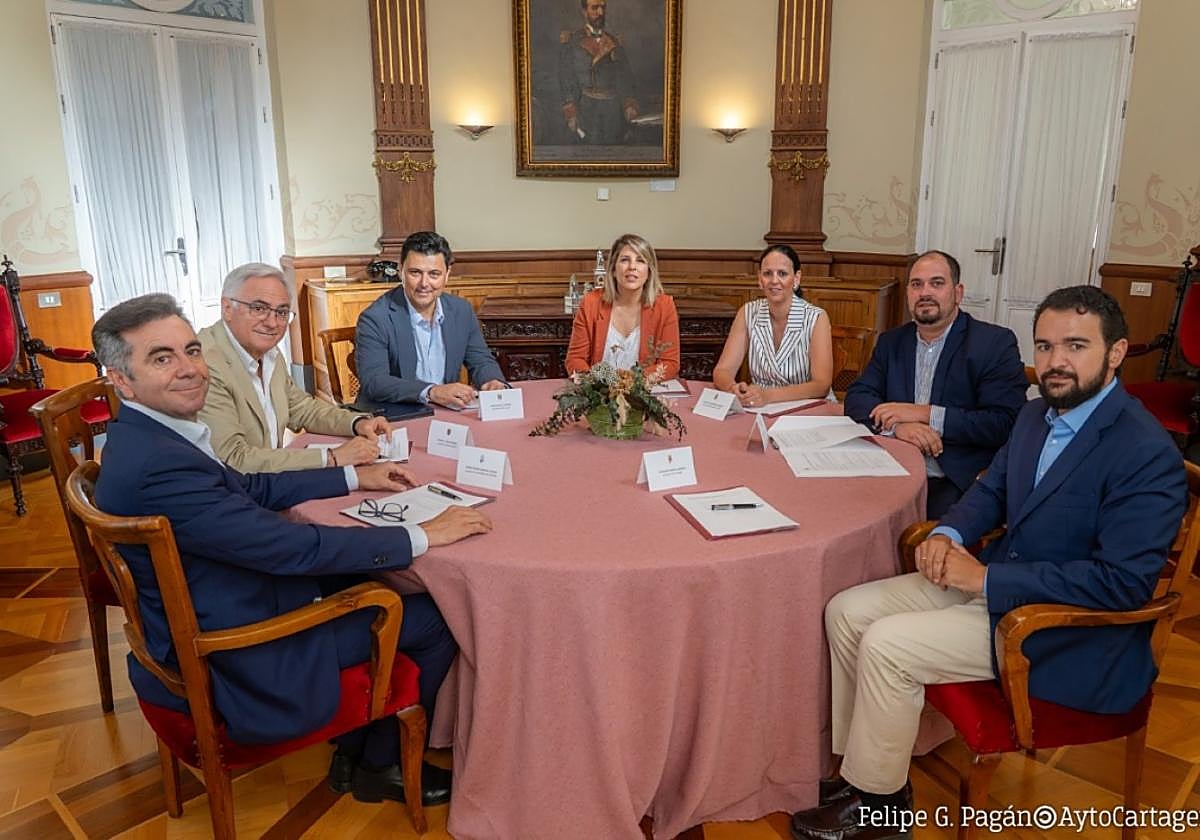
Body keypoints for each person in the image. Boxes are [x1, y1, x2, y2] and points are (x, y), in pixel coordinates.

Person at [790, 286, 1188, 840]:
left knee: (887, 643)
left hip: (1060, 631)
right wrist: (950, 531)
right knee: (847, 609)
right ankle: (865, 776)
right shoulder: (1034, 416)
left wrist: (986, 577)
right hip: (999, 585)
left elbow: (1121, 585)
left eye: (1075, 346)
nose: (1055, 362)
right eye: (1045, 347)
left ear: (1116, 352)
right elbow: (992, 490)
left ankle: (880, 810)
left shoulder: (1146, 452)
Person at [92, 293, 493, 806]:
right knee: (434, 615)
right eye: (162, 358)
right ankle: (379, 765)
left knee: (371, 580)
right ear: (121, 380)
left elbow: (248, 490)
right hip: (240, 646)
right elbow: (289, 548)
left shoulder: (147, 436)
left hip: (215, 597)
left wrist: (352, 476)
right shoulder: (161, 465)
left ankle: (352, 746)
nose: (190, 369)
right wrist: (422, 535)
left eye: (192, 350)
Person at [844, 250, 1028, 519]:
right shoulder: (892, 342)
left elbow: (1003, 423)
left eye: (937, 283)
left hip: (953, 478)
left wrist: (925, 414)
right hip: (891, 467)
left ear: (958, 292)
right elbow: (858, 397)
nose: (925, 292)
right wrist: (899, 426)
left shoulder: (993, 344)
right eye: (916, 284)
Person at [197, 262, 391, 473]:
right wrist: (332, 457)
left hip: (266, 481)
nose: (272, 323)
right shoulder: (203, 365)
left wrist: (357, 423)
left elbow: (302, 409)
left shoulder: (268, 351)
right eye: (259, 308)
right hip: (227, 493)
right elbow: (234, 459)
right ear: (227, 308)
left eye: (281, 312)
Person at [356, 231, 507, 408]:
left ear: (447, 274)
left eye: (434, 274)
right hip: (393, 414)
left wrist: (492, 381)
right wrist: (431, 392)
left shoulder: (461, 310)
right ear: (400, 270)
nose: (424, 284)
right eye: (415, 273)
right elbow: (375, 382)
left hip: (447, 411)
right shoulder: (375, 318)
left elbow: (481, 360)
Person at [712, 244, 834, 405]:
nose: (774, 280)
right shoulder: (747, 312)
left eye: (782, 274)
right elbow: (722, 370)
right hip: (758, 406)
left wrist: (768, 396)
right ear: (759, 279)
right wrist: (733, 388)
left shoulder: (816, 317)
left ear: (796, 279)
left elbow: (821, 386)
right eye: (767, 273)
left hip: (806, 408)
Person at [564, 232, 680, 379]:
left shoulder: (665, 306)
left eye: (640, 260)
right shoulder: (590, 303)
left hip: (645, 393)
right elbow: (575, 359)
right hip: (599, 395)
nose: (632, 267)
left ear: (649, 271)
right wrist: (597, 385)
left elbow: (670, 363)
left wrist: (630, 383)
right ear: (613, 269)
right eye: (625, 260)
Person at [558, 0, 639, 144]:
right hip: (586, 110)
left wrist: (629, 105)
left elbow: (625, 77)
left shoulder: (614, 42)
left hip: (613, 111)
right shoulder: (572, 42)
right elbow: (566, 79)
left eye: (603, 7)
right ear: (584, 12)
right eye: (595, 8)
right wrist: (571, 113)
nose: (600, 13)